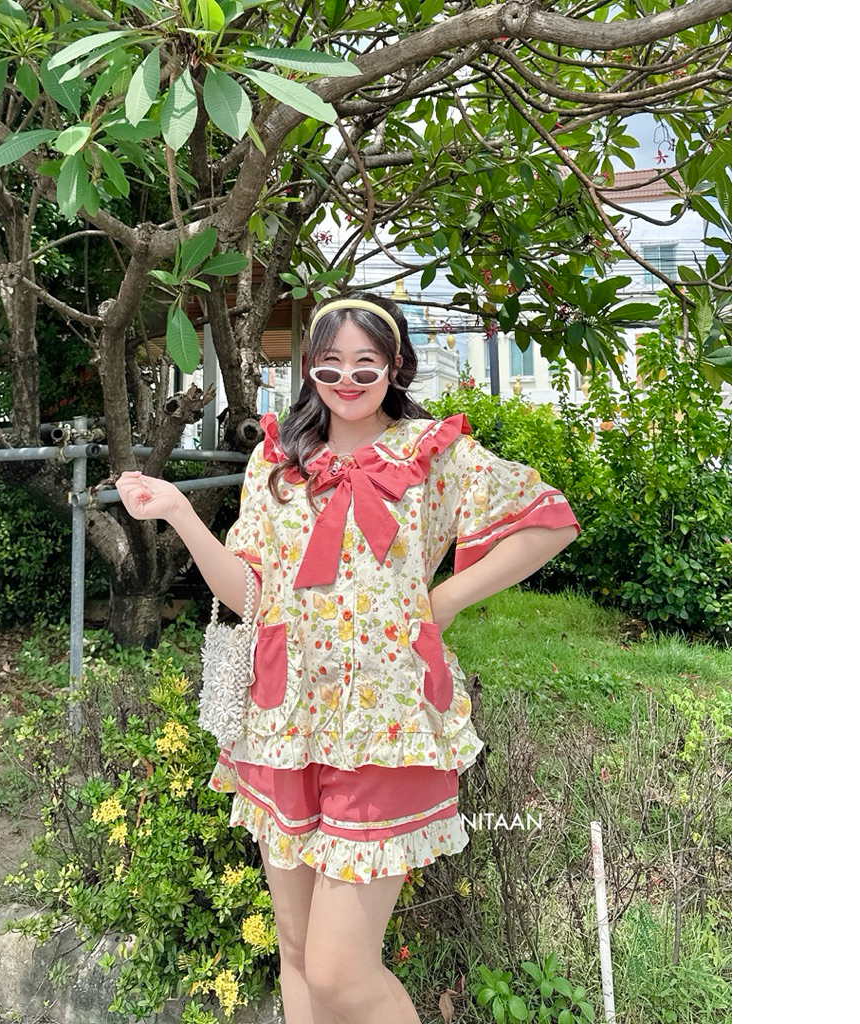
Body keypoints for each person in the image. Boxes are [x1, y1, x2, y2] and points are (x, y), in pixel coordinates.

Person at [116, 293, 580, 1024]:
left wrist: (444, 600)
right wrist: (177, 512)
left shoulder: (432, 454)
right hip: (285, 720)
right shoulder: (277, 462)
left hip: (385, 725)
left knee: (340, 973)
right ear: (309, 368)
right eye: (330, 364)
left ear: (395, 367)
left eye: (367, 364)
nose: (348, 379)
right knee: (297, 950)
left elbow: (548, 521)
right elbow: (249, 591)